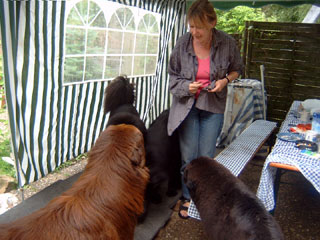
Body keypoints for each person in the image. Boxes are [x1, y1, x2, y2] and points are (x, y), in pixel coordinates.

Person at [167, 0, 243, 219]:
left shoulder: (227, 43)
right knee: (189, 157)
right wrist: (186, 86)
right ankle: (188, 197)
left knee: (206, 157)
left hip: (213, 106)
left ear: (213, 22)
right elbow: (172, 77)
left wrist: (225, 81)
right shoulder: (182, 44)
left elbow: (237, 68)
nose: (194, 32)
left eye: (199, 26)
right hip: (186, 106)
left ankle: (204, 197)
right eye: (191, 26)